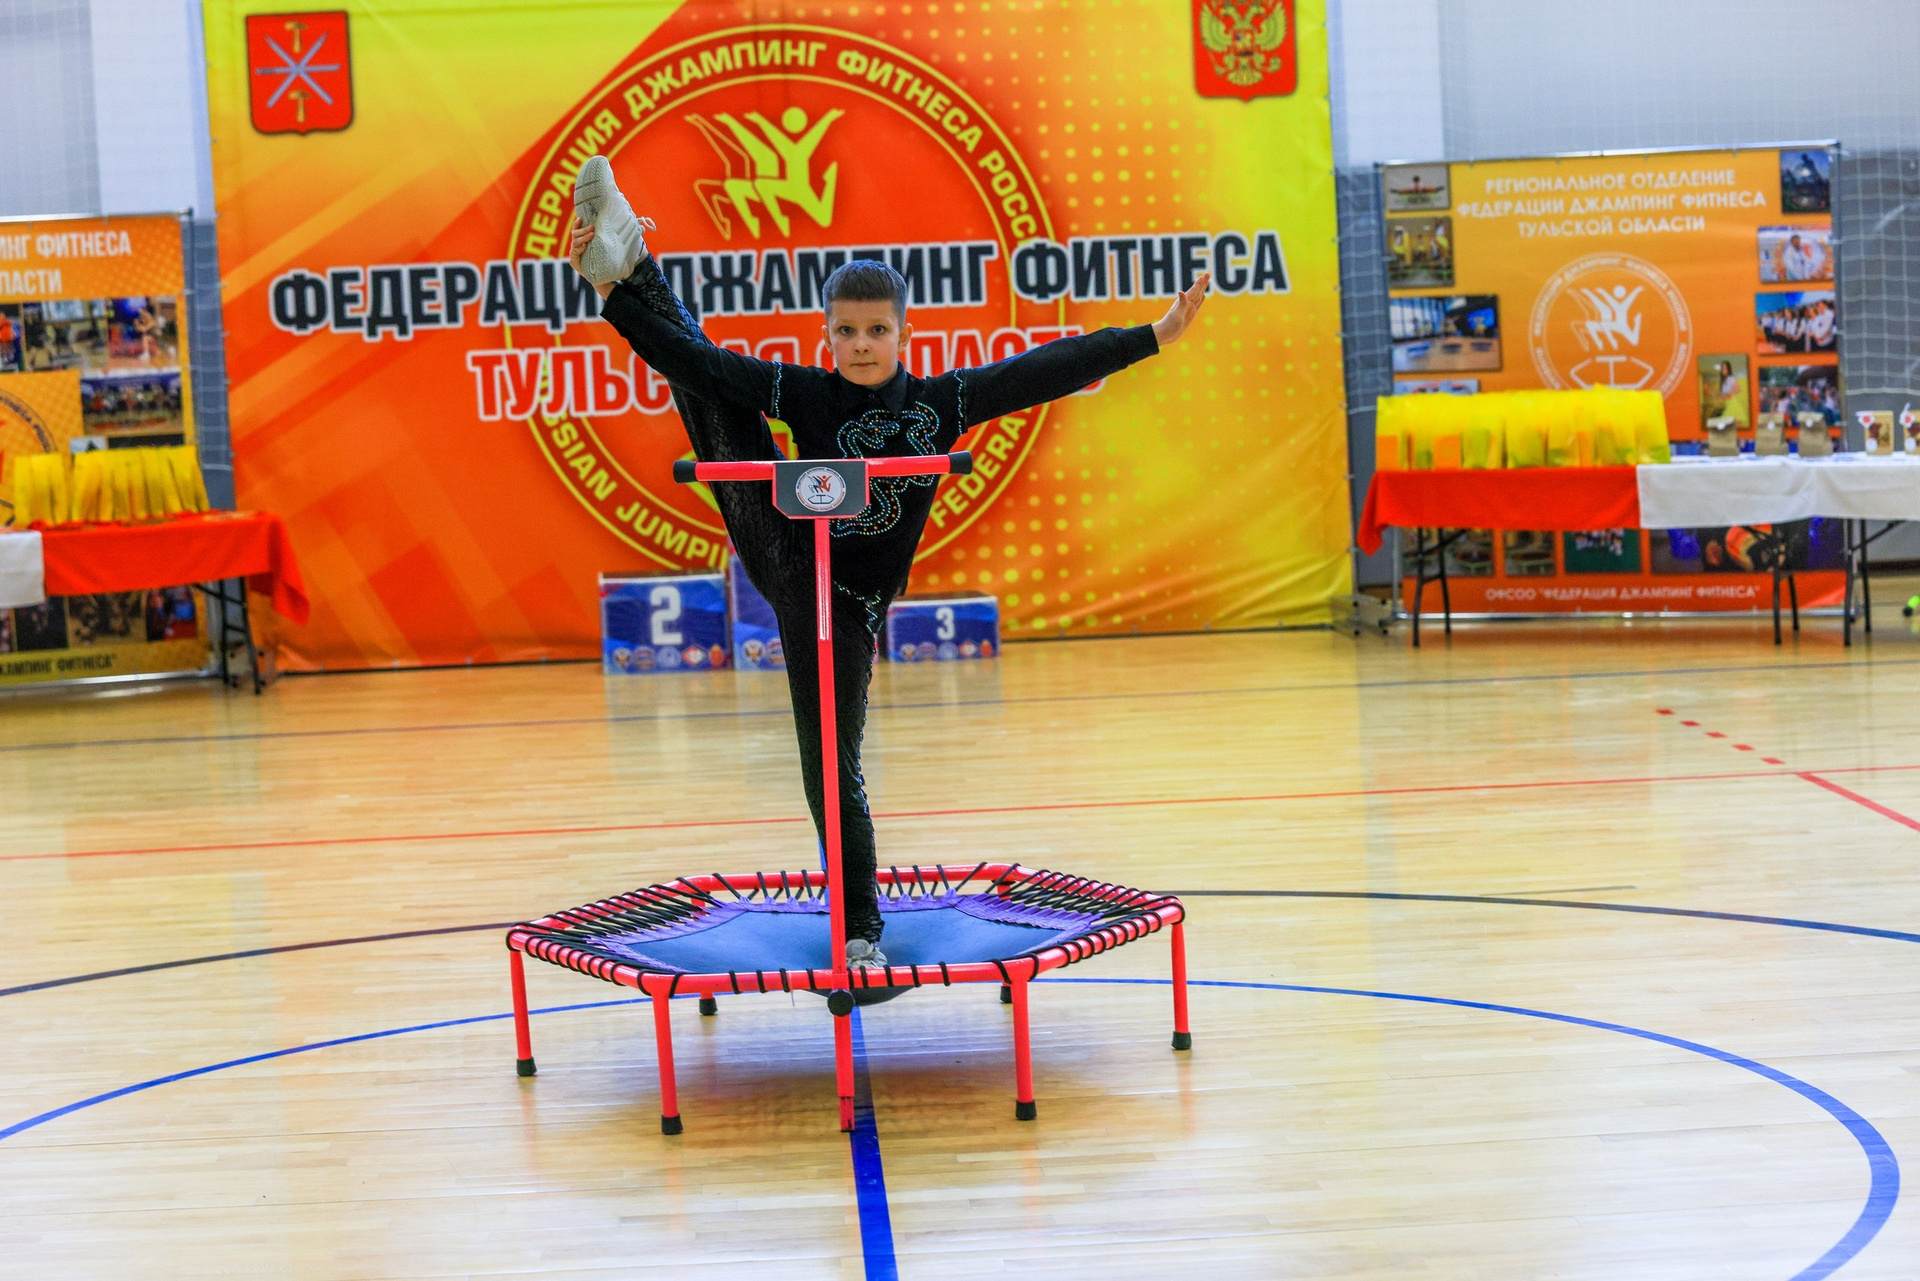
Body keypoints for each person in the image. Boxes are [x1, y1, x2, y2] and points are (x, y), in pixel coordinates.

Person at [566, 155, 1209, 968]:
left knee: (832, 763)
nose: (862, 345)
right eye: (846, 331)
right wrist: (612, 304)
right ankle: (624, 265)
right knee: (717, 396)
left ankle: (862, 927)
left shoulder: (941, 404)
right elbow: (701, 364)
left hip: (854, 602)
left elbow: (1042, 370)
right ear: (827, 335)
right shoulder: (806, 391)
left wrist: (1154, 336)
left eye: (877, 331)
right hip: (788, 554)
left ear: (905, 335)